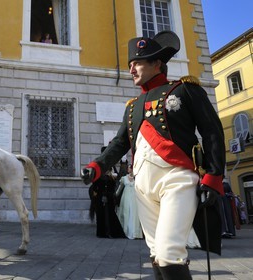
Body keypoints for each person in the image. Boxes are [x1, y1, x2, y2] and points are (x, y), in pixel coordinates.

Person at [81, 30, 225, 279]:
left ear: (157, 63)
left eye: (136, 63)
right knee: (157, 252)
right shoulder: (133, 107)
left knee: (170, 251)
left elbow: (212, 132)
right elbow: (118, 144)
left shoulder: (184, 90)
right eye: (130, 64)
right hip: (142, 186)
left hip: (177, 179)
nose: (131, 70)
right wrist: (96, 166)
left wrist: (213, 177)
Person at [116, 164, 143, 239]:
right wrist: (115, 195)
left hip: (134, 199)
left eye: (129, 167)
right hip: (126, 198)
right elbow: (119, 188)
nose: (128, 169)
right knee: (126, 213)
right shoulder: (124, 178)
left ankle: (134, 233)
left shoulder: (137, 178)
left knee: (134, 214)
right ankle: (125, 231)